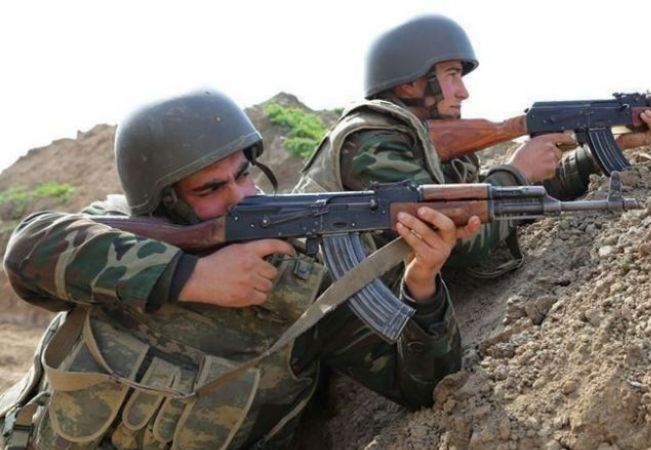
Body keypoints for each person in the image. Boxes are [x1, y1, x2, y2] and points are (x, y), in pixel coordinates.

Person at [0, 89, 479, 449]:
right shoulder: (116, 233)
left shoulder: (303, 282)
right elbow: (29, 247)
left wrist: (421, 282)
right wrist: (193, 277)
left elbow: (424, 385)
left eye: (243, 174)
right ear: (162, 202)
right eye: (210, 189)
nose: (240, 196)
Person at [294, 14, 651, 278]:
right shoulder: (371, 144)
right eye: (452, 75)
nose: (463, 91)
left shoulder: (423, 141)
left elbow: (508, 204)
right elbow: (461, 241)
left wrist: (616, 144)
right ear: (410, 83)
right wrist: (517, 171)